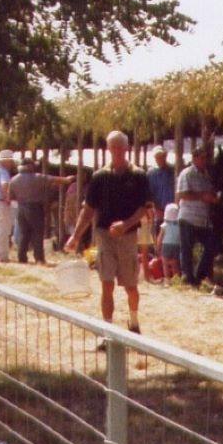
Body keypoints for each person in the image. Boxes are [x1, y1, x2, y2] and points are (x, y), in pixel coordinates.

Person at [65, 131, 151, 333]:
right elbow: (88, 209)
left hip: (128, 236)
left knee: (131, 286)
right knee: (106, 283)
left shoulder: (138, 175)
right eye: (113, 147)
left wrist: (126, 225)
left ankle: (134, 321)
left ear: (127, 148)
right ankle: (108, 329)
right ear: (108, 149)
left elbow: (144, 209)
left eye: (120, 147)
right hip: (104, 235)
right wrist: (75, 236)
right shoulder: (99, 177)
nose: (117, 151)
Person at [175, 144, 222, 287]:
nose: (204, 160)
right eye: (202, 158)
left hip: (203, 219)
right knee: (186, 249)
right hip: (188, 217)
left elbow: (209, 194)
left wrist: (214, 198)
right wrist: (202, 196)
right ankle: (188, 278)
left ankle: (199, 276)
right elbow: (181, 194)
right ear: (194, 158)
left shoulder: (206, 176)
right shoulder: (187, 173)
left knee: (213, 245)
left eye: (206, 158)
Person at [8, 159, 51, 264]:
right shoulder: (38, 177)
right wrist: (67, 179)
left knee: (24, 233)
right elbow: (54, 180)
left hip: (21, 208)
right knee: (37, 233)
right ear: (30, 167)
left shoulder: (13, 180)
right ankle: (39, 258)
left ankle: (22, 257)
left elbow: (10, 197)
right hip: (35, 208)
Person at [159, 202, 183, 280]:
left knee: (165, 263)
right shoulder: (179, 226)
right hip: (176, 245)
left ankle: (167, 279)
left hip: (166, 245)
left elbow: (160, 237)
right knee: (175, 263)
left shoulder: (164, 225)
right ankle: (176, 279)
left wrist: (158, 245)